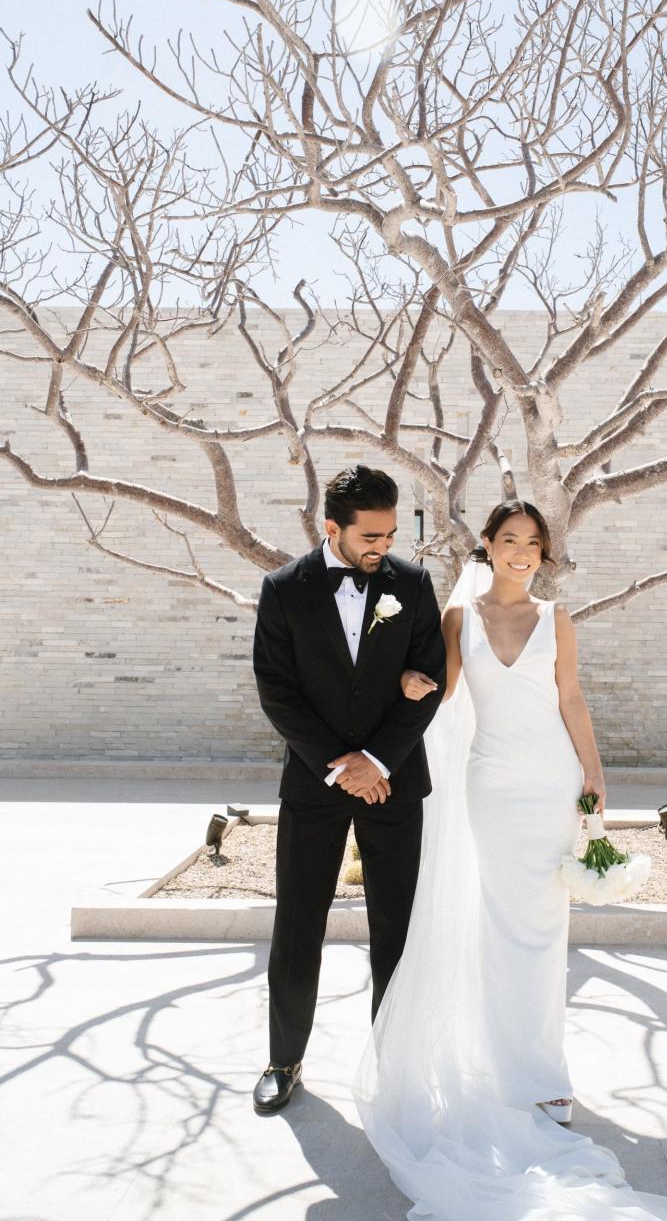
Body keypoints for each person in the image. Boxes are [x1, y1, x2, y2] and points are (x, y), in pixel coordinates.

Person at [355, 500, 667, 1221]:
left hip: (550, 781)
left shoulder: (557, 620)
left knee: (544, 926)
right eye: (508, 540)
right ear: (485, 546)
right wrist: (410, 684)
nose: (520, 553)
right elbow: (445, 690)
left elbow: (570, 697)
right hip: (491, 782)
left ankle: (543, 1075)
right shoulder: (461, 620)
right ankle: (494, 1060)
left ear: (543, 555)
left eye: (532, 544)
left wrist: (595, 771)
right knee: (497, 921)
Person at [250, 464, 446, 1115]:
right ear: (331, 527)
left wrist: (379, 762)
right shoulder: (283, 591)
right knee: (298, 924)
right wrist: (342, 763)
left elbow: (430, 681)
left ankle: (396, 1064)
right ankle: (284, 1059)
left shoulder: (413, 588)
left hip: (393, 783)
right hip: (315, 781)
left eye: (391, 535)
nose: (383, 548)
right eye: (371, 536)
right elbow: (277, 692)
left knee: (396, 928)